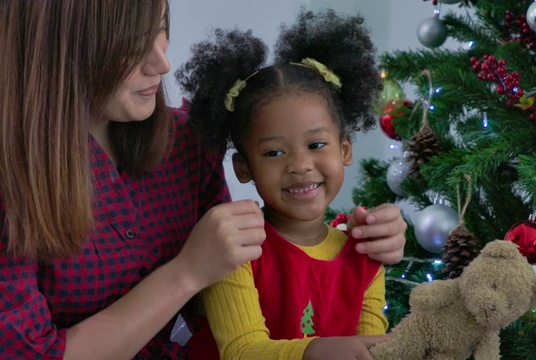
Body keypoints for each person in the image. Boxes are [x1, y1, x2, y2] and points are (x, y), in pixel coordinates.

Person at [0, 2, 407, 359]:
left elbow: (265, 257)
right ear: (59, 48)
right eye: (130, 43)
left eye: (160, 28)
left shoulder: (187, 144)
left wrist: (374, 236)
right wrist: (187, 273)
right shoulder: (12, 180)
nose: (162, 62)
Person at [176, 9, 398, 360]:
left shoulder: (364, 257)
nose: (299, 166)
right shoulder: (234, 249)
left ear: (345, 149)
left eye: (316, 145)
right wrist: (319, 350)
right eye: (275, 152)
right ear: (244, 167)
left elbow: (370, 349)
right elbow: (242, 351)